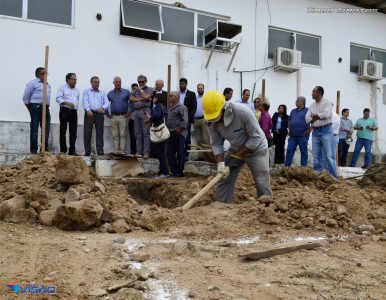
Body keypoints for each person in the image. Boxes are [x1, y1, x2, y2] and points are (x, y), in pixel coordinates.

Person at [203, 91, 272, 203]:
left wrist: (237, 157)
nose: (215, 121)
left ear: (224, 108)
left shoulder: (242, 112)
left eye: (216, 116)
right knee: (223, 178)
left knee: (261, 180)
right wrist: (221, 164)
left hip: (257, 148)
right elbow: (216, 144)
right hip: (235, 148)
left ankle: (266, 207)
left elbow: (256, 138)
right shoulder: (210, 121)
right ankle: (221, 206)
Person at [305, 86, 336, 178]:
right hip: (315, 131)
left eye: (313, 91)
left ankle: (333, 177)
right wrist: (318, 117)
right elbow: (307, 119)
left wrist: (314, 116)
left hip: (326, 130)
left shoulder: (328, 102)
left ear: (319, 93)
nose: (312, 93)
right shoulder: (311, 106)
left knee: (329, 156)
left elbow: (326, 114)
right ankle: (317, 176)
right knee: (316, 156)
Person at [22, 67, 51, 154]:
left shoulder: (48, 84)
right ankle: (34, 150)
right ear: (39, 74)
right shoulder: (32, 83)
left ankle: (44, 148)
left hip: (45, 107)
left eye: (46, 74)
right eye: (43, 73)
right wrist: (31, 109)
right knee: (34, 128)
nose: (46, 75)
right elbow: (25, 98)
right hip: (35, 106)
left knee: (46, 128)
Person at [82, 76, 109, 156]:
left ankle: (100, 151)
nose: (97, 83)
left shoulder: (102, 92)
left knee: (100, 133)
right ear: (91, 82)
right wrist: (87, 110)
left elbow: (107, 102)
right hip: (89, 113)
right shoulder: (86, 91)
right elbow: (85, 101)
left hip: (99, 114)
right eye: (95, 82)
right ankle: (87, 152)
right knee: (87, 133)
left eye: (98, 82)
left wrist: (103, 108)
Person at [130, 75, 154, 159]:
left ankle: (146, 152)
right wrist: (141, 99)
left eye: (142, 82)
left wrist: (140, 90)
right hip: (136, 111)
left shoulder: (150, 89)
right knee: (137, 133)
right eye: (139, 82)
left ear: (146, 81)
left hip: (145, 111)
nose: (141, 83)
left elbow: (146, 97)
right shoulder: (134, 90)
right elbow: (131, 99)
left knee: (146, 133)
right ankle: (138, 152)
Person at [56, 73, 79, 155]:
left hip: (73, 111)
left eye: (76, 79)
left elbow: (77, 100)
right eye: (73, 79)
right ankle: (63, 150)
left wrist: (74, 107)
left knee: (73, 132)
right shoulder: (62, 88)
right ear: (68, 80)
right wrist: (67, 103)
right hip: (64, 110)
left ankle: (72, 151)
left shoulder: (77, 90)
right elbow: (58, 98)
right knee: (63, 131)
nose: (75, 81)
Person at [167, 91, 188, 177]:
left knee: (180, 153)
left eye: (171, 96)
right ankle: (174, 172)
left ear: (176, 97)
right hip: (171, 133)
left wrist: (179, 129)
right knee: (170, 153)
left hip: (179, 133)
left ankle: (180, 172)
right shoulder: (170, 108)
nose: (170, 97)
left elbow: (185, 120)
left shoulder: (182, 107)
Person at [147, 94, 169, 179]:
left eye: (155, 97)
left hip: (159, 132)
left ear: (158, 99)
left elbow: (156, 116)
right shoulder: (161, 106)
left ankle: (165, 172)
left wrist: (150, 118)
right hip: (159, 132)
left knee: (160, 153)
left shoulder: (158, 106)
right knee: (160, 152)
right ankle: (161, 171)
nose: (153, 99)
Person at [285, 96, 311, 167]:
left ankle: (303, 167)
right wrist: (289, 130)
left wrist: (310, 129)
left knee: (303, 151)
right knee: (289, 150)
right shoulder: (293, 111)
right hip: (293, 136)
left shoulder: (308, 110)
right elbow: (290, 121)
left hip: (303, 135)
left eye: (297, 101)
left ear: (302, 102)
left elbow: (313, 120)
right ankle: (287, 166)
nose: (295, 102)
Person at [107, 76, 131, 152]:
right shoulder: (110, 93)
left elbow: (131, 103)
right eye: (116, 82)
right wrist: (107, 113)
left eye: (119, 82)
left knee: (122, 135)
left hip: (123, 116)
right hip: (113, 117)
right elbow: (105, 103)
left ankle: (122, 151)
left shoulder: (126, 92)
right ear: (113, 83)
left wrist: (129, 112)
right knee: (115, 135)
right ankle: (116, 151)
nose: (118, 83)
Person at [178, 78, 197, 160]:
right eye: (180, 84)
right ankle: (179, 154)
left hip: (187, 120)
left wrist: (188, 118)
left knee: (187, 137)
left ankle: (186, 155)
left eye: (182, 84)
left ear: (186, 84)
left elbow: (194, 107)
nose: (181, 85)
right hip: (177, 120)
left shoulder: (191, 94)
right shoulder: (177, 94)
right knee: (178, 137)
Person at [193, 83, 210, 152]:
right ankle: (200, 155)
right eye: (199, 88)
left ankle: (207, 156)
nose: (200, 89)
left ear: (203, 89)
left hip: (204, 120)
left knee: (205, 138)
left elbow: (209, 109)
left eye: (201, 88)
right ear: (197, 89)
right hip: (195, 120)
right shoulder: (195, 98)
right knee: (198, 139)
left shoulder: (206, 98)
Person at [128, 83, 138, 154]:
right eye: (134, 88)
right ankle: (133, 152)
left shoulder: (141, 96)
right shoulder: (131, 97)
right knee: (133, 137)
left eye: (136, 88)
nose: (135, 90)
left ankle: (139, 151)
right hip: (132, 119)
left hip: (140, 120)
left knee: (139, 137)